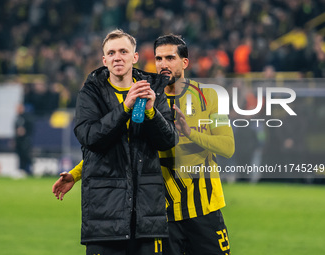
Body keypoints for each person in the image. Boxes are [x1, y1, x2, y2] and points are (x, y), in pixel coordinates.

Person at [53, 34, 235, 255]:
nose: (163, 64)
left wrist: (190, 133)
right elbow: (127, 146)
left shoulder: (210, 96)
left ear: (184, 62)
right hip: (163, 213)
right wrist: (76, 173)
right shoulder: (148, 98)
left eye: (170, 58)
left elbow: (227, 146)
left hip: (205, 208)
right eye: (159, 59)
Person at [61, 29, 178, 255]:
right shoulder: (90, 93)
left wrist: (153, 112)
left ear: (134, 57)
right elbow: (89, 137)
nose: (118, 57)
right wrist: (125, 107)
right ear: (104, 60)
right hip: (105, 217)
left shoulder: (153, 89)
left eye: (123, 51)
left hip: (147, 218)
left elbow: (168, 140)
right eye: (112, 53)